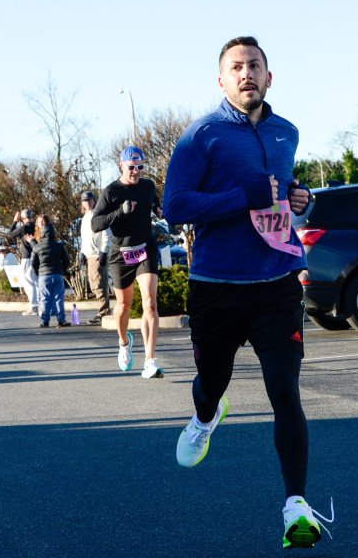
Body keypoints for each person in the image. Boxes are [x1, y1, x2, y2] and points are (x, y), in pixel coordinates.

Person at [164, 36, 332, 549]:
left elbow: (281, 196)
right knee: (211, 381)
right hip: (217, 285)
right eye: (236, 67)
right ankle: (205, 415)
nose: (246, 74)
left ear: (269, 76)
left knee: (285, 392)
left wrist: (298, 197)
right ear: (221, 80)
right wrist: (244, 198)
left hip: (277, 282)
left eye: (254, 66)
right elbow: (175, 207)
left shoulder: (287, 132)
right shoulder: (202, 136)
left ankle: (296, 507)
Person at [91, 146, 165, 379]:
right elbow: (96, 224)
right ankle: (124, 343)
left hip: (145, 248)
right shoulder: (110, 192)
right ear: (120, 165)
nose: (136, 172)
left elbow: (153, 200)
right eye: (132, 167)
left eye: (140, 167)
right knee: (123, 306)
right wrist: (119, 212)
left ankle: (150, 361)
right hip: (121, 253)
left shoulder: (148, 186)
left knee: (150, 304)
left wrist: (157, 208)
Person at [30, 214, 70, 328]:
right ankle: (61, 320)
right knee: (58, 298)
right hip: (57, 274)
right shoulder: (59, 246)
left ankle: (45, 321)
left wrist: (38, 272)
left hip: (44, 275)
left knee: (45, 299)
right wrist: (63, 270)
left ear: (42, 233)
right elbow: (66, 261)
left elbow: (33, 262)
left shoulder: (37, 247)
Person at [79, 190, 112, 325]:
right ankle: (103, 309)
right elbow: (84, 238)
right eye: (85, 201)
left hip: (98, 254)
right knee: (93, 284)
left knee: (99, 284)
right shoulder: (85, 217)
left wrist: (104, 252)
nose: (88, 202)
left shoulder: (99, 215)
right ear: (82, 203)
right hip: (89, 254)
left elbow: (106, 234)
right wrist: (82, 252)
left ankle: (103, 311)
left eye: (90, 200)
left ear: (94, 200)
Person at [7, 209, 39, 316]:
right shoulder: (36, 226)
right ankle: (41, 305)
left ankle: (34, 305)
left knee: (29, 282)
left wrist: (15, 221)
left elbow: (10, 235)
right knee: (37, 281)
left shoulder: (24, 227)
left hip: (27, 257)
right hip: (38, 256)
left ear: (22, 218)